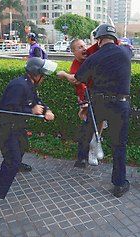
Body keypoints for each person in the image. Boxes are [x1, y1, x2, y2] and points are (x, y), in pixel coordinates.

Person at [0, 57, 57, 224]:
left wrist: (46, 110)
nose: (45, 78)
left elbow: (37, 102)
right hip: (5, 127)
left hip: (16, 127)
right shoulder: (19, 85)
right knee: (11, 161)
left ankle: (16, 163)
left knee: (23, 146)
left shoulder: (30, 84)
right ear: (36, 74)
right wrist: (32, 110)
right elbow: (8, 110)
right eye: (43, 74)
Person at [68, 24, 133, 198]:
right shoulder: (126, 52)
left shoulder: (94, 58)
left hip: (99, 104)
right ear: (114, 38)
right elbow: (124, 49)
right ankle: (119, 184)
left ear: (98, 40)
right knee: (119, 145)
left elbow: (79, 78)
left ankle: (81, 159)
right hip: (121, 104)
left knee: (88, 129)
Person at [57, 39, 106, 166]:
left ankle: (92, 149)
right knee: (89, 126)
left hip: (98, 97)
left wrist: (64, 74)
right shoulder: (75, 65)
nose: (84, 48)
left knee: (99, 122)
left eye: (84, 45)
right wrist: (66, 75)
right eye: (79, 47)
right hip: (86, 100)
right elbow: (76, 80)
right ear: (73, 52)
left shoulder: (89, 52)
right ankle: (85, 155)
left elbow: (108, 42)